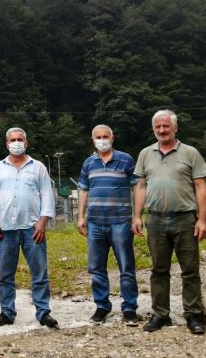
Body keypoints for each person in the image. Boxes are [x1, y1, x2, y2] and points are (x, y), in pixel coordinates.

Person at [132, 110, 206, 335]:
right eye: (157, 127)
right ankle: (160, 314)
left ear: (175, 128)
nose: (161, 130)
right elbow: (140, 186)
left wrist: (203, 220)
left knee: (190, 269)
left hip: (185, 218)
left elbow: (201, 187)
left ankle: (193, 314)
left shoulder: (190, 153)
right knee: (158, 269)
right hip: (155, 218)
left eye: (166, 126)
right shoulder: (146, 154)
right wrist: (137, 215)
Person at [0, 127, 58, 328]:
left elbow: (47, 196)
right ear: (6, 144)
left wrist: (42, 223)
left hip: (32, 229)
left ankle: (43, 312)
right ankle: (7, 312)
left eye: (19, 139)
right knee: (5, 274)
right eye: (12, 140)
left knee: (39, 272)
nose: (16, 143)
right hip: (5, 229)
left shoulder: (38, 167)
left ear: (26, 143)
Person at [77, 125, 139, 326]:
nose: (102, 140)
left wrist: (137, 215)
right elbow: (83, 190)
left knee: (126, 267)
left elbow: (137, 186)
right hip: (95, 223)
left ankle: (129, 308)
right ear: (92, 139)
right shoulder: (89, 163)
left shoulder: (126, 160)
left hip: (120, 222)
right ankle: (102, 305)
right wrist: (81, 216)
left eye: (105, 136)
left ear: (112, 138)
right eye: (98, 137)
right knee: (96, 268)